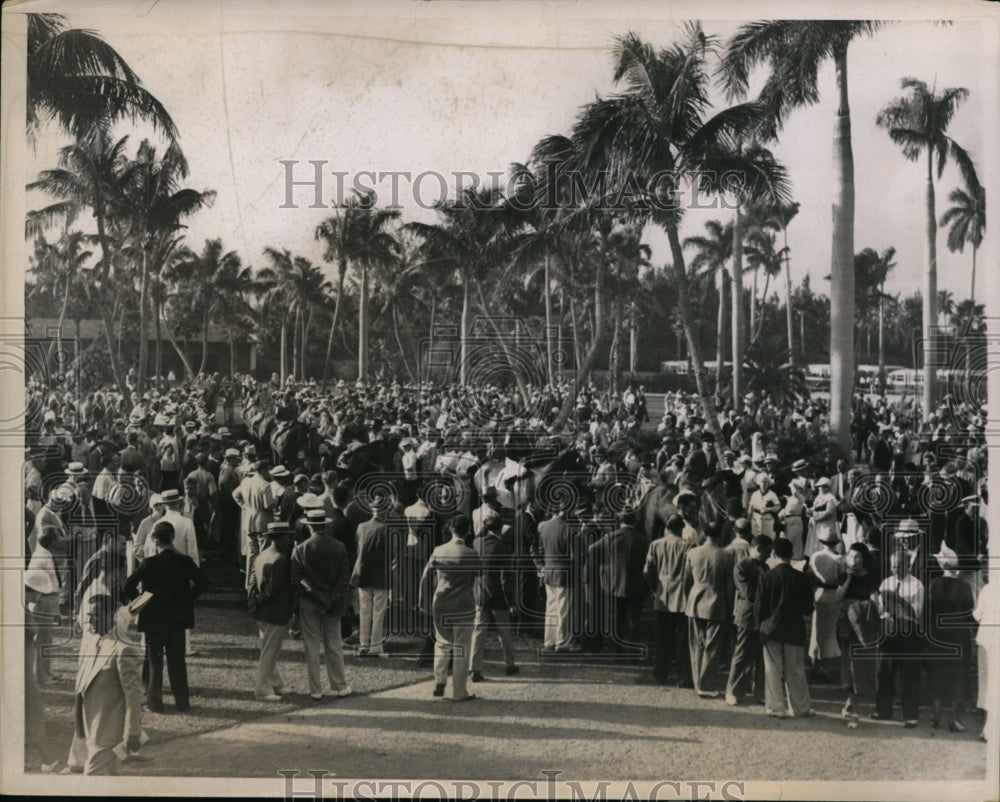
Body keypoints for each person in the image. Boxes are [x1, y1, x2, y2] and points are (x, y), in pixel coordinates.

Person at [123, 521, 211, 713]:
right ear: (173, 538)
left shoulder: (149, 563)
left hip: (154, 618)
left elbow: (128, 584)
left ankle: (155, 703)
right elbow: (204, 582)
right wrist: (188, 597)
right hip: (177, 617)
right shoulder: (185, 561)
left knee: (154, 661)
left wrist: (140, 601)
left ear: (154, 540)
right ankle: (182, 702)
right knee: (177, 661)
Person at [65, 594, 145, 775]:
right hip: (92, 731)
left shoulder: (124, 649)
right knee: (109, 779)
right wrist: (80, 729)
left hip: (110, 735)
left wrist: (132, 731)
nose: (89, 619)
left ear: (112, 616)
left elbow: (133, 695)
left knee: (92, 779)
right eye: (88, 615)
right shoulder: (94, 643)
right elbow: (83, 687)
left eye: (95, 614)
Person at [290, 509, 353, 700]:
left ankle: (315, 689)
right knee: (333, 643)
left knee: (311, 645)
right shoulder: (339, 547)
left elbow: (297, 579)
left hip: (310, 601)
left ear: (309, 526)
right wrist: (331, 597)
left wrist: (315, 594)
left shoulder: (300, 549)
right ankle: (340, 685)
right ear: (325, 525)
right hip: (333, 601)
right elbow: (344, 577)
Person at [419, 514, 483, 701]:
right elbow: (480, 576)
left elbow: (425, 577)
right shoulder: (471, 553)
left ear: (450, 529)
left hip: (441, 603)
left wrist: (423, 601)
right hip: (463, 605)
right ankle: (459, 691)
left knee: (441, 643)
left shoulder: (438, 550)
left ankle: (439, 681)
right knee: (462, 647)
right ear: (469, 530)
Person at [755, 536, 815, 718]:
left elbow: (759, 607)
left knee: (772, 669)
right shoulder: (802, 578)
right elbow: (808, 607)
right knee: (795, 670)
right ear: (792, 554)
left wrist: (762, 627)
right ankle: (800, 708)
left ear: (774, 553)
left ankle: (775, 707)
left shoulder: (766, 577)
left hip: (771, 628)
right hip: (794, 628)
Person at [872, 548, 925, 727]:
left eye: (900, 566)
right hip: (889, 632)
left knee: (909, 674)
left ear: (908, 565)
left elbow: (916, 613)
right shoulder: (885, 583)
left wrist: (898, 605)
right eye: (893, 566)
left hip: (908, 633)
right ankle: (883, 710)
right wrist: (881, 609)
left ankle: (910, 715)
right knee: (884, 671)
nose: (896, 570)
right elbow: (879, 608)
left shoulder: (917, 585)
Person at [926, 542, 975, 732]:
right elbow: (970, 613)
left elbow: (928, 612)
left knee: (937, 673)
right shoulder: (964, 586)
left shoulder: (934, 585)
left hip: (938, 635)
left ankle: (936, 715)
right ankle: (953, 718)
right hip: (958, 636)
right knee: (957, 675)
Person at [683, 521, 735, 698]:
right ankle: (706, 684)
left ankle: (698, 682)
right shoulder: (726, 556)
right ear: (720, 534)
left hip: (695, 599)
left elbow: (686, 581)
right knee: (712, 646)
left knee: (696, 644)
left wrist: (688, 598)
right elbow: (729, 586)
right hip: (717, 601)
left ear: (704, 533)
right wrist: (730, 606)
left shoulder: (692, 552)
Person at [644, 514, 694, 687]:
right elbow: (689, 573)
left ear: (667, 528)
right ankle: (683, 677)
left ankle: (660, 675)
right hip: (682, 597)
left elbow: (648, 571)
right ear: (681, 528)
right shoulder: (689, 546)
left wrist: (654, 587)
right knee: (682, 641)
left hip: (662, 596)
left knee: (661, 639)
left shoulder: (655, 545)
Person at [470, 510, 519, 681]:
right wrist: (511, 602)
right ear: (500, 530)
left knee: (478, 632)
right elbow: (506, 580)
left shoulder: (477, 543)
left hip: (480, 593)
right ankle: (510, 664)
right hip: (498, 596)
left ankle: (474, 667)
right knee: (504, 632)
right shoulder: (503, 549)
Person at [835, 542, 881, 722]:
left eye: (858, 557)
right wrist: (848, 579)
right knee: (848, 664)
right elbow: (838, 597)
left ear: (864, 559)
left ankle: (852, 703)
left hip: (862, 625)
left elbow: (875, 601)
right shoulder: (843, 576)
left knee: (859, 666)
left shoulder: (870, 578)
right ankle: (854, 706)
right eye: (851, 556)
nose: (854, 561)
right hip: (846, 625)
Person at [250, 523, 295, 701]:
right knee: (270, 651)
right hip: (275, 612)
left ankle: (276, 682)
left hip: (263, 611)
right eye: (287, 537)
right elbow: (273, 589)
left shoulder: (262, 555)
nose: (289, 540)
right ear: (280, 538)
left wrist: (255, 603)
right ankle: (262, 689)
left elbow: (253, 583)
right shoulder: (280, 559)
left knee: (269, 649)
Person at [726, 534, 772, 706]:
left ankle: (759, 692)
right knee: (742, 654)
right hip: (748, 615)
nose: (769, 555)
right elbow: (747, 592)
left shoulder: (765, 567)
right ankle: (732, 690)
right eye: (767, 552)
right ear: (758, 549)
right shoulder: (742, 566)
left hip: (763, 617)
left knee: (761, 656)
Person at [353, 494, 394, 657]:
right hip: (380, 574)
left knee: (365, 610)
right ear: (385, 511)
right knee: (378, 612)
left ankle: (364, 645)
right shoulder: (387, 529)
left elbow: (358, 548)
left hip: (363, 572)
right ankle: (375, 647)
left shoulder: (361, 527)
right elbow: (391, 553)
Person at [537, 498, 577, 652]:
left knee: (551, 607)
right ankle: (563, 642)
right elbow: (574, 556)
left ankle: (549, 640)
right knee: (564, 608)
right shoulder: (569, 529)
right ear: (564, 510)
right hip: (564, 573)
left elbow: (540, 551)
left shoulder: (543, 527)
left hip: (549, 571)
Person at [808, 529, 845, 683]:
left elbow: (810, 575)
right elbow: (842, 578)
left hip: (818, 592)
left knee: (816, 630)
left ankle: (815, 666)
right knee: (830, 632)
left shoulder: (815, 556)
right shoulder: (839, 559)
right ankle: (827, 668)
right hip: (833, 594)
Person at [972, 576, 997, 743]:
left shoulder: (987, 589)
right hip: (988, 641)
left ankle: (987, 729)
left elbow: (977, 615)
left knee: (988, 684)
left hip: (987, 641)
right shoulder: (987, 589)